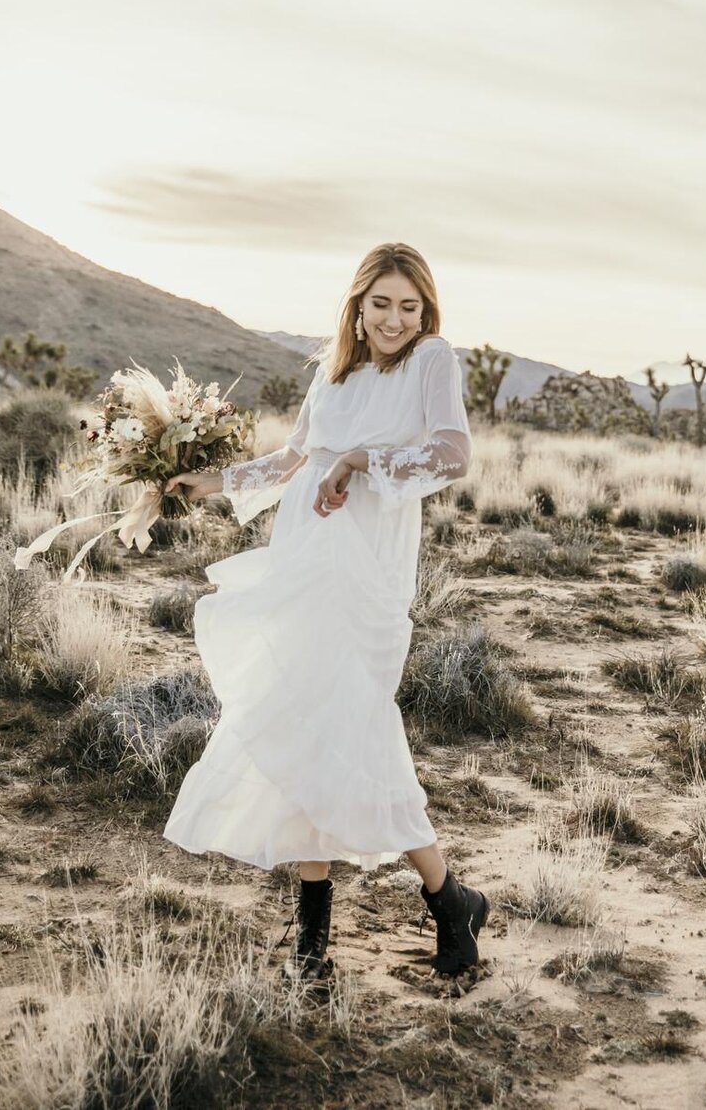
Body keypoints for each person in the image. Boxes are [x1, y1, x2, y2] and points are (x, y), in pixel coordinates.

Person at [161, 242, 489, 984]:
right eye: (381, 304)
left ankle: (448, 899)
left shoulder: (432, 360)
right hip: (304, 558)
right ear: (357, 304)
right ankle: (319, 939)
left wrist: (361, 461)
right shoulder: (332, 373)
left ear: (425, 309)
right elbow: (294, 461)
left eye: (410, 305)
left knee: (360, 727)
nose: (395, 319)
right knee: (312, 729)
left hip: (367, 567)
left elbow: (452, 452)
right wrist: (209, 483)